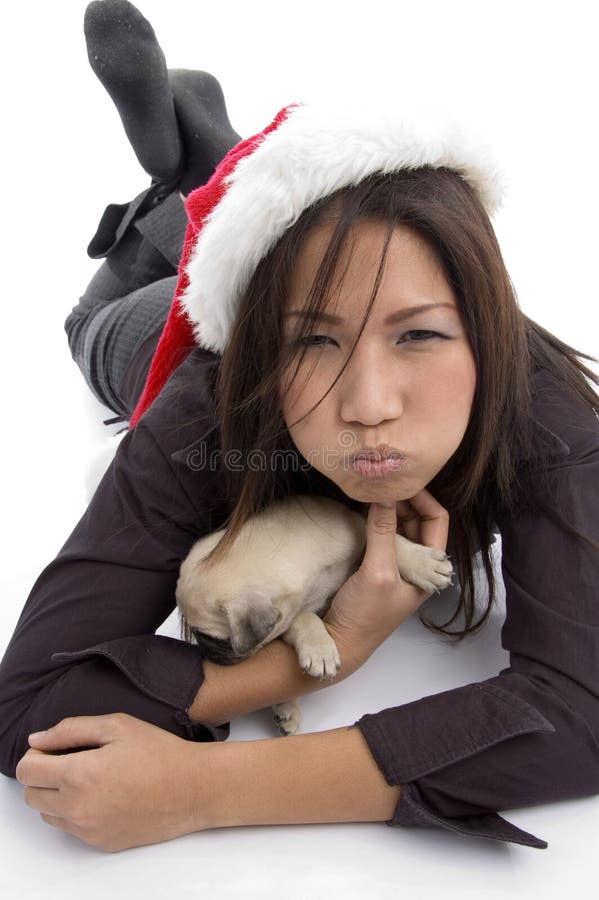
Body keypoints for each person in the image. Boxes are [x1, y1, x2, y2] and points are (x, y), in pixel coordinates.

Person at [0, 0, 598, 854]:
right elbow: (26, 704)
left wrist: (206, 789)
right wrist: (319, 654)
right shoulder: (207, 409)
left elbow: (585, 707)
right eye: (312, 342)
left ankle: (212, 170)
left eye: (418, 333)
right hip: (149, 329)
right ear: (260, 348)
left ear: (485, 328)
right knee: (87, 327)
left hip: (291, 261)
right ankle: (178, 199)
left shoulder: (544, 412)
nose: (368, 404)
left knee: (322, 265)